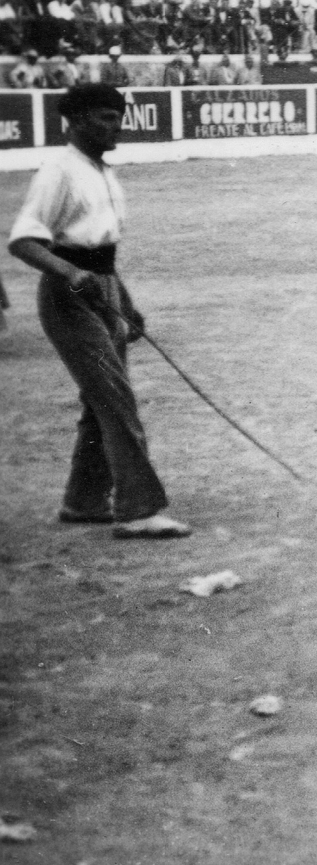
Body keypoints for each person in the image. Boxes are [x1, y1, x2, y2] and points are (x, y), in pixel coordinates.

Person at [8, 83, 191, 539]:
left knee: (100, 399)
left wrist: (125, 302)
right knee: (115, 399)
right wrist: (70, 274)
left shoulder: (101, 171)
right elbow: (24, 241)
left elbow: (103, 252)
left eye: (117, 116)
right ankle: (138, 510)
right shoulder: (59, 170)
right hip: (68, 296)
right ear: (75, 121)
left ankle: (84, 501)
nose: (116, 125)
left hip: (103, 289)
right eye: (104, 117)